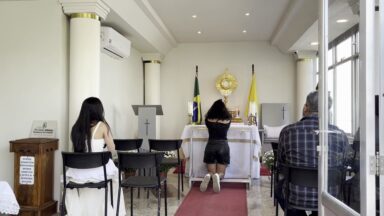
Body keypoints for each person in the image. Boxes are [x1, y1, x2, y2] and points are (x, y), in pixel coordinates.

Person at [275, 91, 348, 216]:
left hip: (296, 195)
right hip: (329, 195)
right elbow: (345, 162)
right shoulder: (339, 134)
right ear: (328, 110)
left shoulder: (288, 131)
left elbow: (281, 163)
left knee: (279, 190)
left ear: (306, 107)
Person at [64, 97, 126, 216]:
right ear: (98, 110)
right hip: (98, 170)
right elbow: (112, 149)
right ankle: (116, 212)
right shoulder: (102, 126)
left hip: (79, 172)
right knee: (117, 178)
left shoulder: (75, 128)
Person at [199, 99, 232, 193]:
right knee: (221, 173)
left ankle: (209, 175)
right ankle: (218, 176)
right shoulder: (228, 120)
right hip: (223, 146)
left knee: (211, 171)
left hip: (210, 145)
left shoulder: (208, 120)